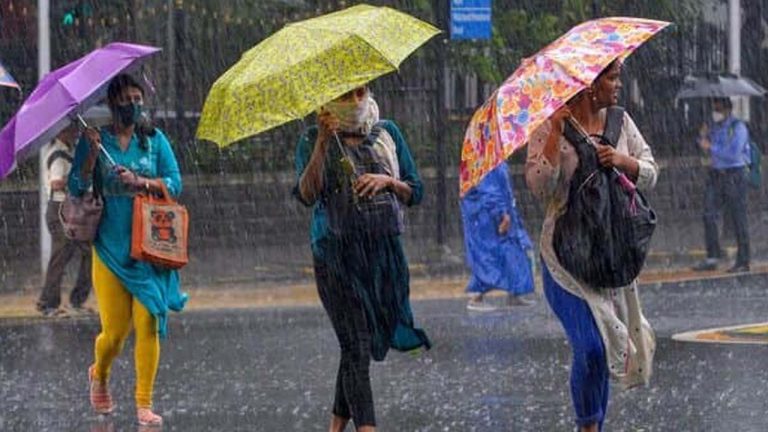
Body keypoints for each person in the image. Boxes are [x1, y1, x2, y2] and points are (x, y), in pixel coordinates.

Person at [525, 60, 657, 432]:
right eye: (611, 78)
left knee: (608, 344)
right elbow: (540, 187)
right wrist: (555, 132)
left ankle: (594, 425)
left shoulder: (621, 122)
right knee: (592, 347)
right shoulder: (550, 124)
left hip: (609, 255)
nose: (618, 84)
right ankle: (588, 425)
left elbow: (650, 172)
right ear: (588, 85)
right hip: (565, 262)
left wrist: (623, 161)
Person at [294, 86, 431, 432]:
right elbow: (307, 194)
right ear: (328, 101)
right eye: (345, 96)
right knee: (355, 342)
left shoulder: (387, 133)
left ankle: (335, 427)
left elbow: (415, 191)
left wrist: (388, 182)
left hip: (382, 254)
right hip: (335, 256)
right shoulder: (313, 138)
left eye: (361, 92)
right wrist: (322, 142)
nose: (355, 102)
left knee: (358, 344)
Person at [68, 74, 187, 427]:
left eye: (138, 98)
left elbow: (175, 183)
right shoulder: (96, 140)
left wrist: (142, 182)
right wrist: (89, 155)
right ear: (112, 103)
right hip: (110, 246)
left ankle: (144, 403)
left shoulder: (154, 141)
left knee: (149, 319)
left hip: (149, 245)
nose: (133, 104)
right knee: (115, 335)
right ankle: (100, 373)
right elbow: (76, 185)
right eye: (125, 99)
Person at [460, 162, 535, 311]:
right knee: (488, 256)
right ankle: (477, 296)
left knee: (511, 251)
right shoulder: (485, 161)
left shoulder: (493, 161)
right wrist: (501, 213)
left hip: (494, 214)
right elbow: (490, 192)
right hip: (487, 218)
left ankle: (515, 292)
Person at [36, 124, 93, 317]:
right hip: (60, 211)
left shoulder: (70, 151)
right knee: (61, 256)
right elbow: (56, 183)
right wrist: (75, 180)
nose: (75, 133)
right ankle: (48, 303)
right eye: (72, 130)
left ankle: (77, 299)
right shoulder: (58, 154)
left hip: (71, 211)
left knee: (89, 253)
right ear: (62, 132)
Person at [692, 97, 751, 273]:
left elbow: (733, 153)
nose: (715, 113)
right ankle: (712, 256)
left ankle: (743, 260)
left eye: (717, 109)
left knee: (738, 217)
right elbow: (706, 147)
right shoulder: (714, 127)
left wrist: (711, 147)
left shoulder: (738, 127)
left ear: (727, 109)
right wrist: (702, 137)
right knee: (709, 214)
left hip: (734, 174)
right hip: (716, 174)